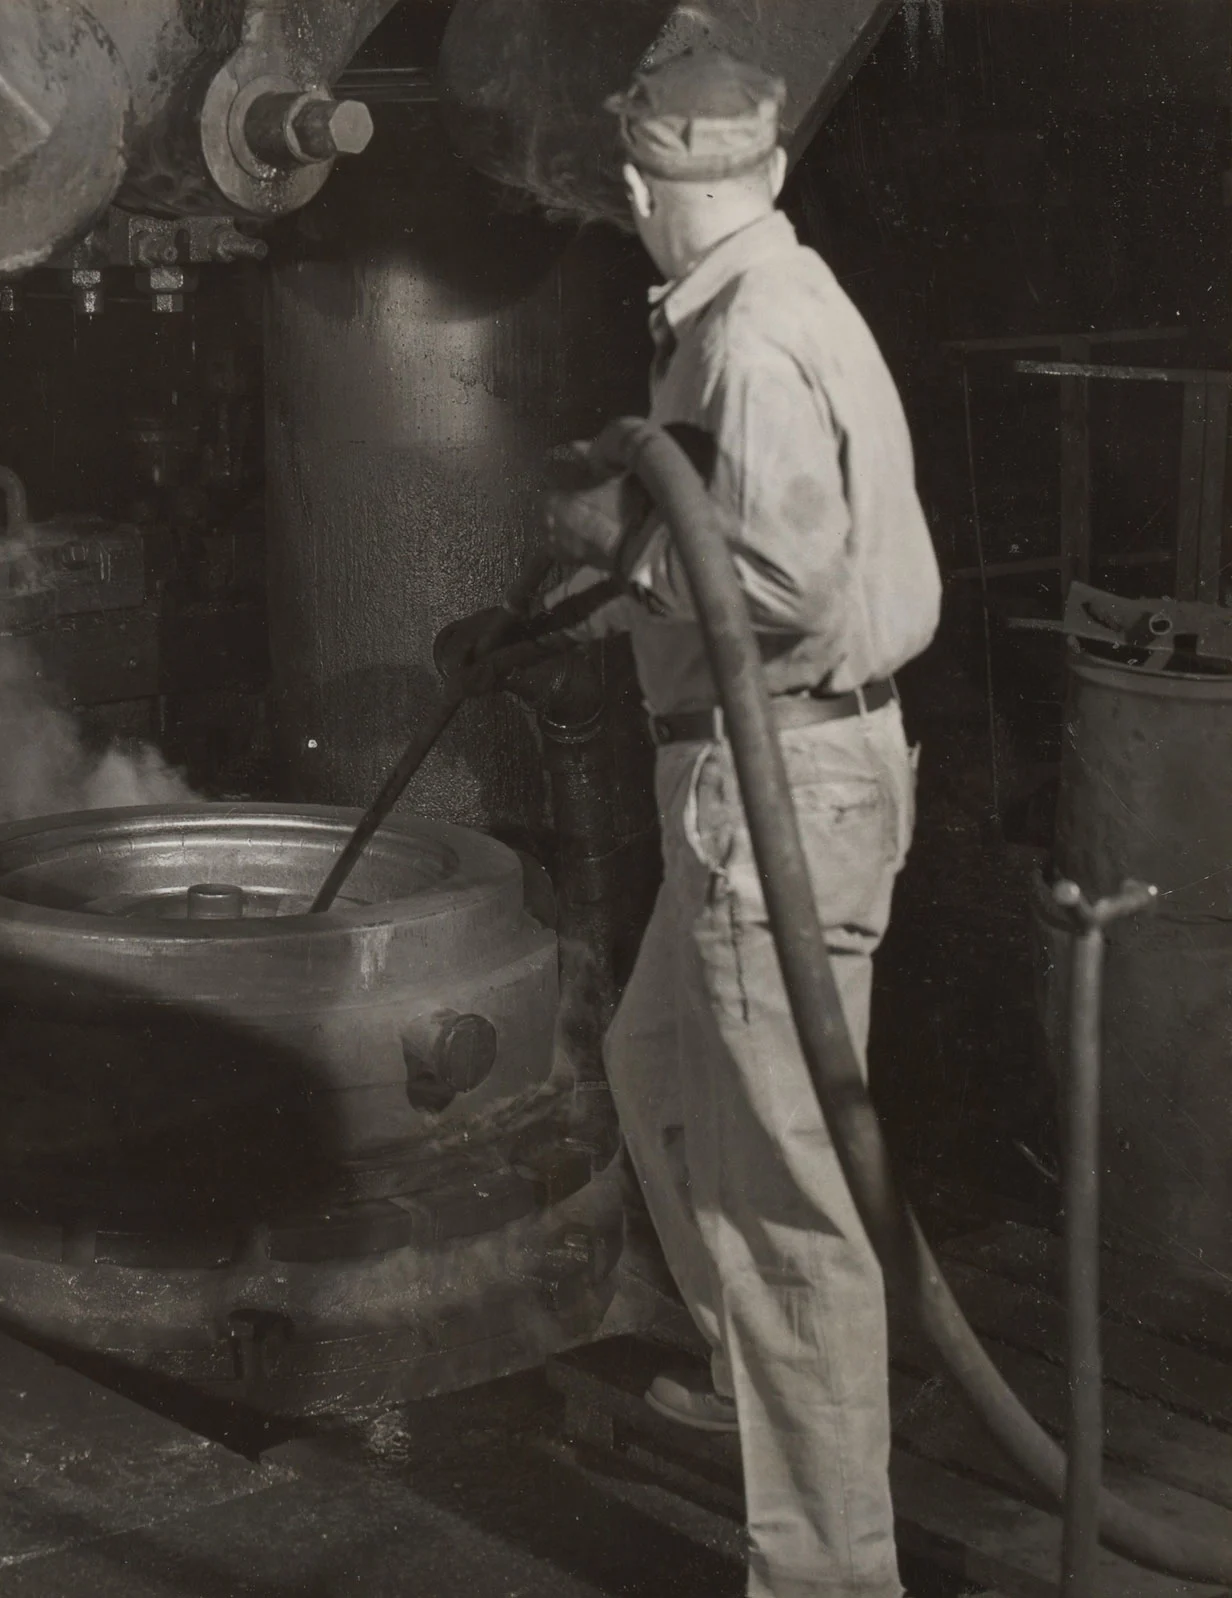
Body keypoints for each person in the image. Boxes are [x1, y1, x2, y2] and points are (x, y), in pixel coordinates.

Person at [533, 44, 941, 1598]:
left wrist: (619, 548)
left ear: (646, 191)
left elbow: (785, 584)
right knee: (655, 1069)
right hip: (755, 784)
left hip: (778, 792)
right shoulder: (774, 298)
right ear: (762, 174)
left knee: (786, 1209)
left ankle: (828, 1575)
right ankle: (760, 1389)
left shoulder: (753, 341)